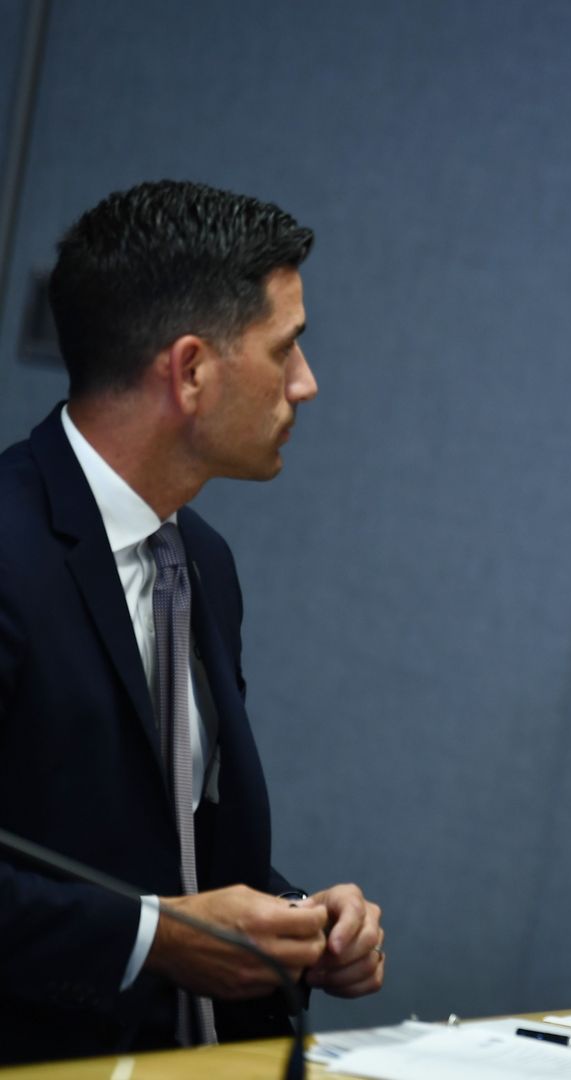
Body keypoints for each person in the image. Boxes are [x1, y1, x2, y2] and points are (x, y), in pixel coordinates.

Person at [0, 180, 386, 1062]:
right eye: (287, 348)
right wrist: (154, 938)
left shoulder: (200, 559)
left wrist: (298, 920)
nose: (308, 384)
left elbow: (177, 843)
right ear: (191, 371)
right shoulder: (8, 549)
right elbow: (152, 912)